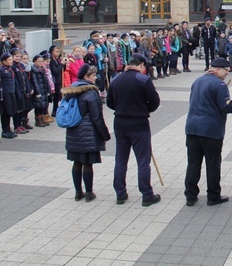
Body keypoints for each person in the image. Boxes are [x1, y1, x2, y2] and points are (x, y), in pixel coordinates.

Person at [106, 54, 162, 207]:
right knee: (143, 160)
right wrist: (144, 109)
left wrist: (121, 108)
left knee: (121, 159)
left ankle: (120, 193)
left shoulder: (116, 79)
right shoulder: (143, 80)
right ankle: (146, 194)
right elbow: (155, 102)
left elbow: (109, 102)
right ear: (142, 65)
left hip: (120, 123)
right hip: (139, 123)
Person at [184, 58, 232, 206]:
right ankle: (213, 196)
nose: (227, 73)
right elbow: (226, 107)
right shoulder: (220, 85)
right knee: (213, 164)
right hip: (210, 130)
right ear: (217, 69)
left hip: (192, 128)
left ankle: (190, 195)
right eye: (225, 70)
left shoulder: (197, 81)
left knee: (193, 163)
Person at [64, 65, 111, 202]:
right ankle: (89, 193)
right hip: (88, 132)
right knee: (88, 163)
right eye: (93, 75)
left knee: (77, 162)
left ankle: (78, 192)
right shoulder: (91, 92)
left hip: (73, 131)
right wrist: (105, 134)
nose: (96, 77)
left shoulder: (72, 89)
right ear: (86, 77)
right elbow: (97, 117)